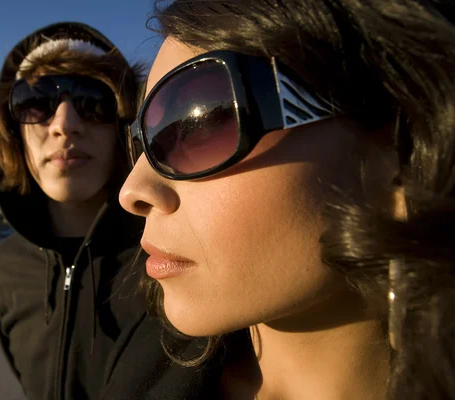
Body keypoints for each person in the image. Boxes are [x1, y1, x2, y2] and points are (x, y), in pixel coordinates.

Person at [119, 1, 455, 399]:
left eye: (200, 122)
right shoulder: (131, 369)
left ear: (402, 151)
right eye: (143, 140)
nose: (132, 190)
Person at [0, 22, 243, 400]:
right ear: (10, 130)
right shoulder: (2, 271)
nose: (65, 126)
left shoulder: (172, 262)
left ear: (125, 127)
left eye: (93, 102)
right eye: (35, 102)